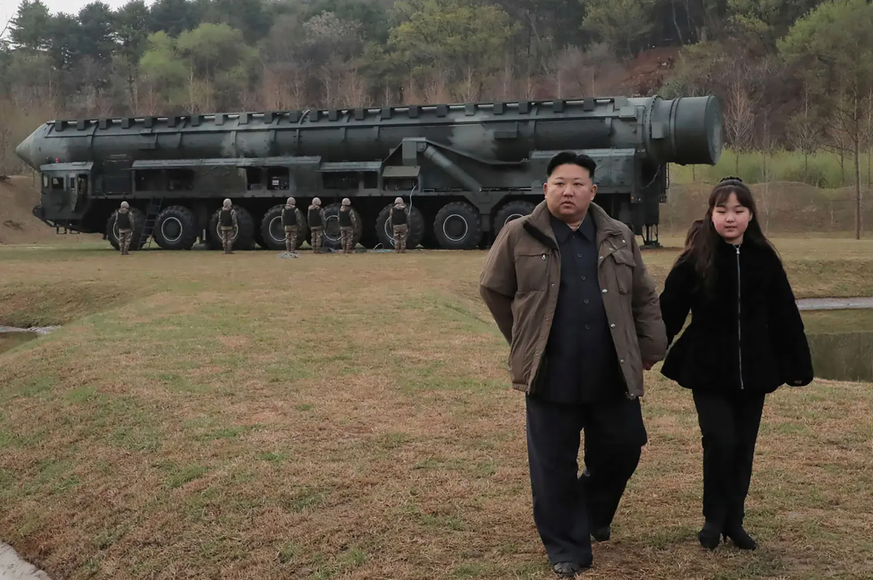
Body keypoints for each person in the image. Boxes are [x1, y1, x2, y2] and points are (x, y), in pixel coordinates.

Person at [479, 151, 667, 577]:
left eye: (578, 183)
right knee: (552, 465)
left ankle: (590, 511)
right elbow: (493, 288)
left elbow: (643, 296)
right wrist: (526, 339)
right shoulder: (519, 234)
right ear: (545, 189)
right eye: (560, 182)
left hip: (610, 369)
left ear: (593, 191)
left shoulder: (618, 235)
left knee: (624, 447)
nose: (569, 191)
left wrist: (651, 346)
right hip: (551, 371)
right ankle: (567, 547)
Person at [658, 177, 813, 551]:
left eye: (738, 211)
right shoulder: (696, 259)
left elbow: (785, 314)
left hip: (755, 370)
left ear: (750, 215)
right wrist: (648, 349)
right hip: (708, 368)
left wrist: (797, 364)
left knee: (743, 445)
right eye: (722, 210)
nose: (730, 218)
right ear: (711, 214)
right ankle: (712, 519)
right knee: (720, 440)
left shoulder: (764, 258)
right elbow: (668, 311)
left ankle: (734, 521)